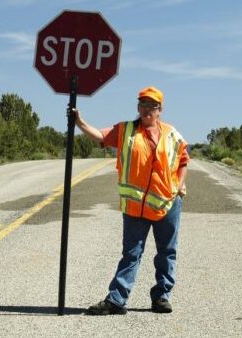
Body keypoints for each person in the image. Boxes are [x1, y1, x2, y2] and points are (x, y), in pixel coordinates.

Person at [71, 86, 189, 315]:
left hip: (168, 204)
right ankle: (116, 300)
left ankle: (162, 297)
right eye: (143, 104)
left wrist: (178, 186)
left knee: (167, 251)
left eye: (152, 105)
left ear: (160, 110)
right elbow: (102, 136)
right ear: (138, 107)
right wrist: (79, 122)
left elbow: (184, 160)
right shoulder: (125, 131)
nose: (147, 109)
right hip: (136, 207)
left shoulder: (172, 134)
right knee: (131, 253)